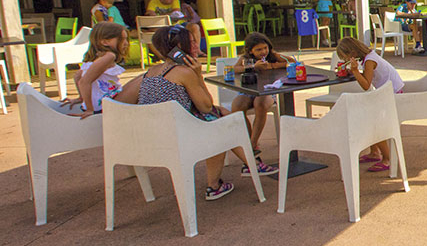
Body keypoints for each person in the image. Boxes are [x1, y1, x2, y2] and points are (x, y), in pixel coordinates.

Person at [137, 25, 277, 200]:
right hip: (179, 137)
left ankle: (251, 164)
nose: (197, 46)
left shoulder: (151, 72)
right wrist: (198, 75)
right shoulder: (183, 72)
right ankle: (219, 182)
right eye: (192, 42)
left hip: (153, 135)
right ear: (179, 48)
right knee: (221, 125)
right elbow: (206, 106)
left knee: (222, 115)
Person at [336, 37, 404, 173]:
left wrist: (355, 71)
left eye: (345, 57)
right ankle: (374, 152)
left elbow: (366, 85)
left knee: (371, 121)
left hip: (392, 96)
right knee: (364, 114)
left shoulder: (369, 61)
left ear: (352, 53)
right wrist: (354, 72)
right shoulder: (369, 57)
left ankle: (387, 158)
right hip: (388, 93)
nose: (345, 61)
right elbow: (368, 76)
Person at [232, 32, 293, 153]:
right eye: (258, 49)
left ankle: (252, 144)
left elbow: (292, 61)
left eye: (265, 48)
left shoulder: (272, 56)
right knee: (237, 106)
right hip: (249, 91)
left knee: (260, 104)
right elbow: (234, 69)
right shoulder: (246, 59)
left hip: (268, 91)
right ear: (250, 51)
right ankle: (248, 140)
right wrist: (253, 67)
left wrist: (272, 65)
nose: (263, 52)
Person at [69, 22, 128, 116]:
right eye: (122, 39)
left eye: (126, 39)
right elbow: (84, 82)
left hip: (97, 104)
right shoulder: (109, 56)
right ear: (105, 42)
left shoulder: (96, 57)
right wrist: (89, 110)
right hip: (103, 105)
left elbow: (77, 77)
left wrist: (82, 98)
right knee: (142, 80)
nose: (126, 43)